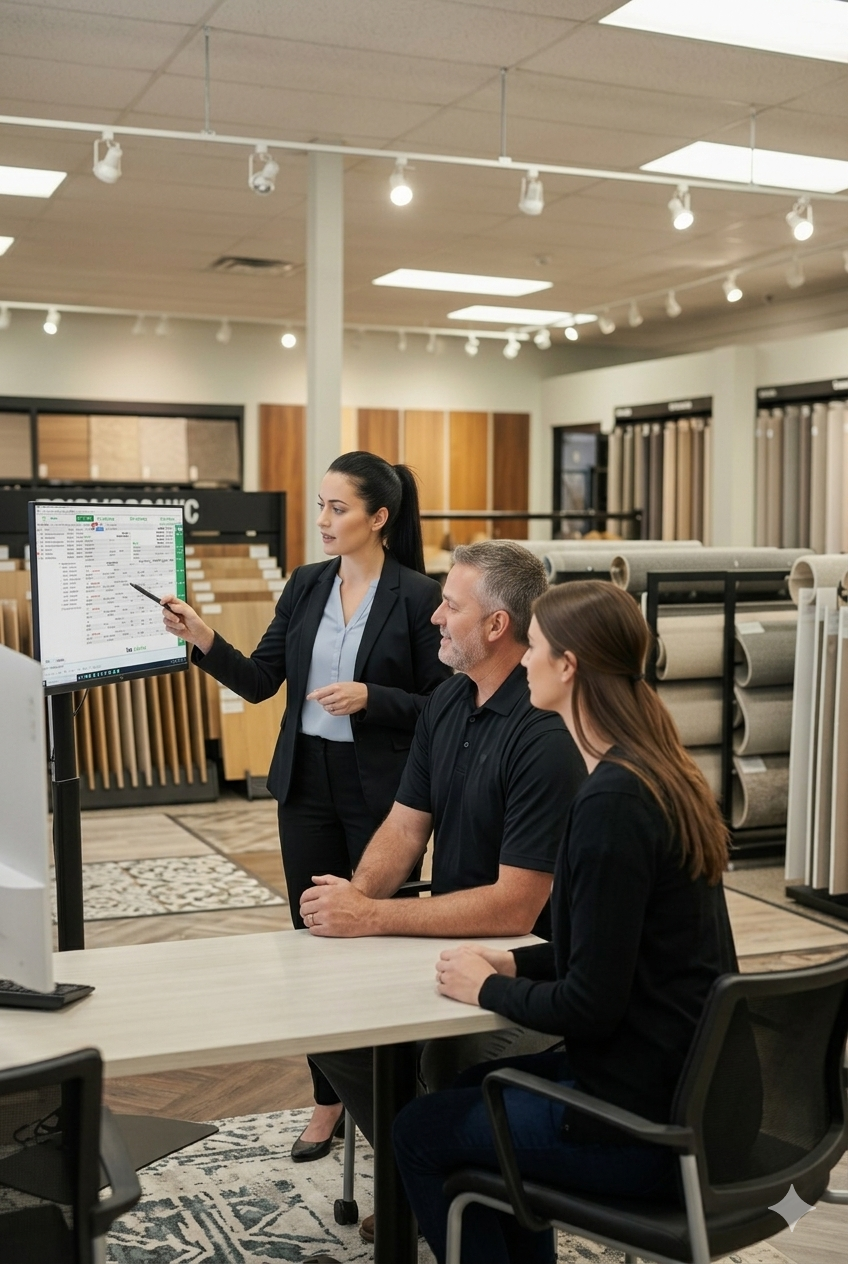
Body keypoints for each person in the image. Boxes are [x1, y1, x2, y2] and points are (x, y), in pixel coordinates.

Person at [392, 579, 738, 1264]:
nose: (524, 661)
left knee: (419, 1133)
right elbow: (610, 948)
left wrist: (484, 990)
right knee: (464, 1090)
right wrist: (513, 964)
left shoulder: (611, 801)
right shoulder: (659, 773)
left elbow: (590, 1003)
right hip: (695, 1096)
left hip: (644, 1130)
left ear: (569, 665)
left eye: (538, 648)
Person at [160, 450, 451, 1162]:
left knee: (378, 941)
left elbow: (445, 704)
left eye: (338, 508)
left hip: (386, 793)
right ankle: (328, 1097)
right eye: (320, 506)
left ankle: (394, 1103)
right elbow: (262, 681)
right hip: (306, 786)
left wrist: (372, 699)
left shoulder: (418, 596)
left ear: (379, 519)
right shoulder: (305, 585)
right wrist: (203, 639)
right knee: (313, 939)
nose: (322, 520)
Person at [301, 541, 586, 1245]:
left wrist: (372, 916)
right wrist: (352, 904)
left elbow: (516, 908)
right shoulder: (448, 703)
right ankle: (418, 1173)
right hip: (446, 945)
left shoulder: (543, 730)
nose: (433, 617)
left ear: (495, 626)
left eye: (450, 605)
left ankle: (440, 1175)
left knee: (450, 1064)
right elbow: (403, 829)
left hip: (525, 969)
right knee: (334, 1034)